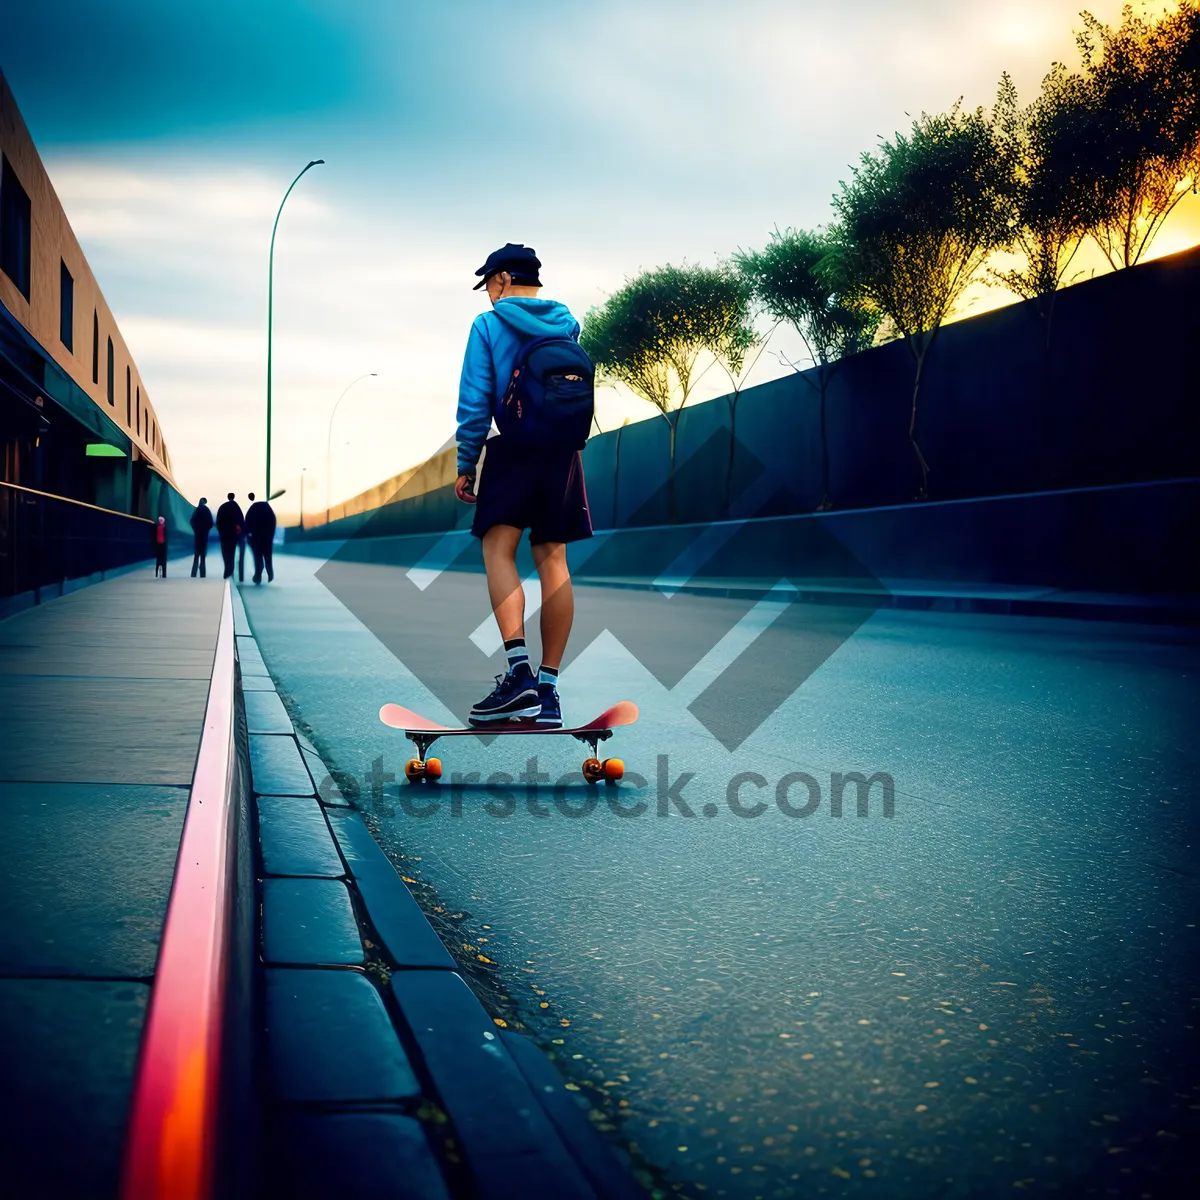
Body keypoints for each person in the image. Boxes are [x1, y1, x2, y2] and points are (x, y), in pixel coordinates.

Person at [454, 243, 593, 729]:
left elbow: (474, 400)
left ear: (502, 280)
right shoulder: (569, 324)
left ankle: (519, 677)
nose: (489, 295)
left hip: (513, 450)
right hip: (562, 455)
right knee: (553, 558)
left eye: (489, 285)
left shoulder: (488, 326)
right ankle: (549, 691)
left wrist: (467, 461)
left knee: (498, 548)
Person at [245, 492, 277, 584]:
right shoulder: (268, 509)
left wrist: (248, 535)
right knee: (268, 556)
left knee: (258, 557)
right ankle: (270, 571)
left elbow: (247, 523)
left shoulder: (253, 509)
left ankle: (258, 575)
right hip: (267, 538)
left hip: (256, 538)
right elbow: (273, 523)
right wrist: (271, 535)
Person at [215, 492, 244, 580]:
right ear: (234, 497)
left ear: (227, 497)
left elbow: (218, 521)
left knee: (225, 553)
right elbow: (241, 521)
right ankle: (230, 572)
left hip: (224, 535)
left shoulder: (222, 507)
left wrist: (221, 532)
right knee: (232, 553)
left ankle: (227, 570)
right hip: (233, 535)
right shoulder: (236, 507)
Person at [190, 497, 213, 577]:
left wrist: (195, 529)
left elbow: (192, 521)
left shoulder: (197, 510)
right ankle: (202, 574)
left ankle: (194, 574)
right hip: (204, 536)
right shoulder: (207, 510)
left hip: (198, 536)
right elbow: (211, 523)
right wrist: (206, 530)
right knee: (203, 556)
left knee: (196, 555)